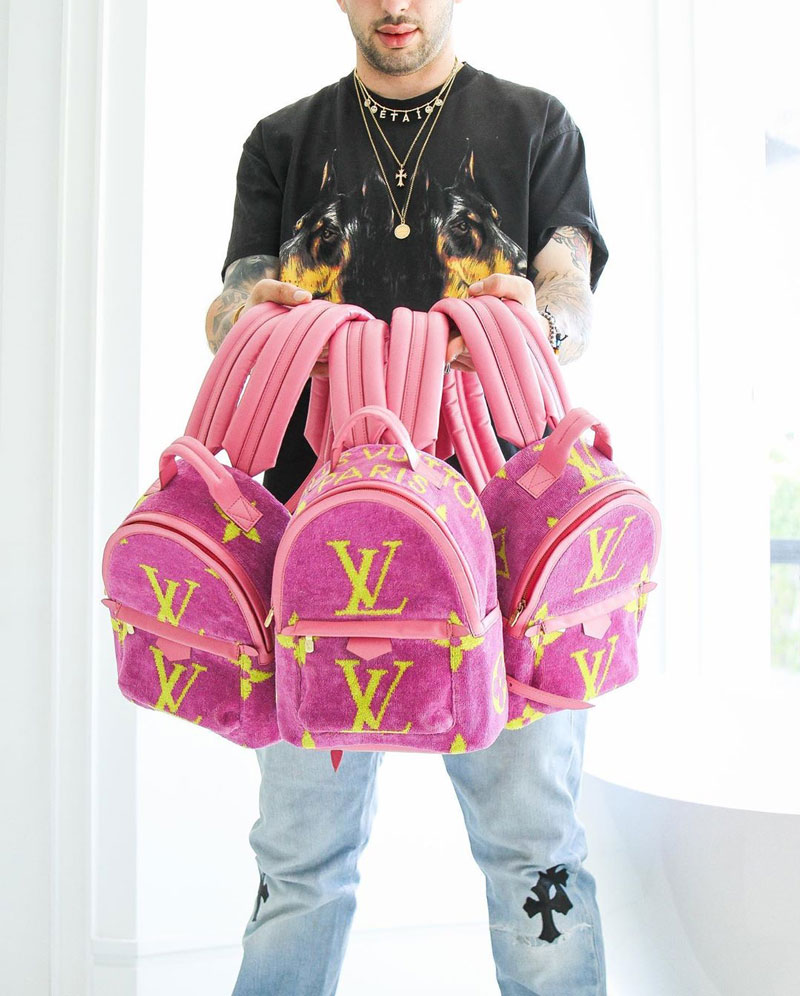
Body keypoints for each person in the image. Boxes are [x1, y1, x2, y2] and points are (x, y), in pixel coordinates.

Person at [205, 2, 610, 993]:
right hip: (315, 557)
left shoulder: (536, 125)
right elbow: (232, 300)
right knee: (297, 870)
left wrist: (539, 323)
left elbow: (570, 291)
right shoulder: (280, 142)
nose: (396, 6)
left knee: (536, 856)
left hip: (505, 552)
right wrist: (245, 317)